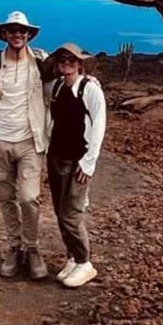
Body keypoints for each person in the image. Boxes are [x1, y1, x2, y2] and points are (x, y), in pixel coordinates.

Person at [0, 10, 52, 279]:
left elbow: (60, 84)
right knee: (6, 198)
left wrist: (88, 83)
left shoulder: (41, 61)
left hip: (30, 140)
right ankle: (14, 248)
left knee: (29, 198)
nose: (18, 35)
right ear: (5, 34)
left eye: (23, 31)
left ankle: (33, 247)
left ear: (29, 35)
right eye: (13, 30)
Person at [45, 42, 107, 289]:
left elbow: (99, 125)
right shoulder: (58, 86)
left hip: (78, 159)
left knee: (72, 213)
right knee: (61, 211)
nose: (66, 63)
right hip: (57, 156)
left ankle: (84, 261)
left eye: (72, 60)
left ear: (80, 63)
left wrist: (89, 163)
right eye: (62, 60)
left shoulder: (89, 89)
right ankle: (72, 257)